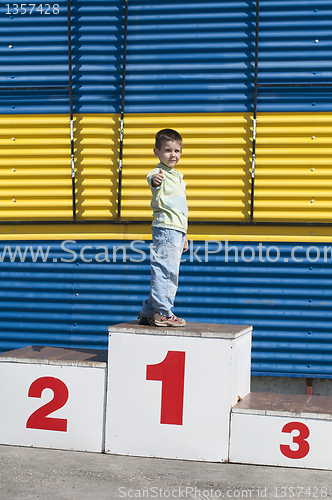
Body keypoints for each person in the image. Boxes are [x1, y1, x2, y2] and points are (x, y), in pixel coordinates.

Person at [138, 128, 188, 327]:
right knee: (166, 271)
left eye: (177, 151)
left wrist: (184, 234)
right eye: (167, 150)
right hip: (166, 229)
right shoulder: (158, 173)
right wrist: (155, 181)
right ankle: (163, 312)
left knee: (168, 269)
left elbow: (181, 209)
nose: (173, 155)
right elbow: (153, 181)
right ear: (156, 152)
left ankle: (148, 311)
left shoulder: (178, 177)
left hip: (176, 230)